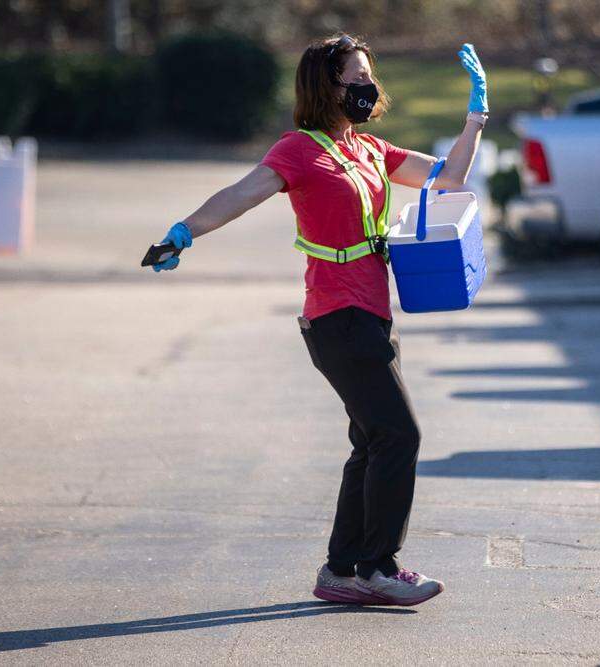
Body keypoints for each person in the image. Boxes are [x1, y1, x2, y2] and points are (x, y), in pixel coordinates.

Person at [146, 34, 490, 606]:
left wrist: (475, 116)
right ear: (324, 86)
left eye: (367, 76)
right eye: (353, 78)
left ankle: (340, 570)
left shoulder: (370, 149)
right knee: (398, 435)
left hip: (373, 314)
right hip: (336, 317)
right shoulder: (299, 151)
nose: (365, 87)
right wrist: (184, 232)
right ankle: (379, 568)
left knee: (370, 440)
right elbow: (242, 192)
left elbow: (449, 178)